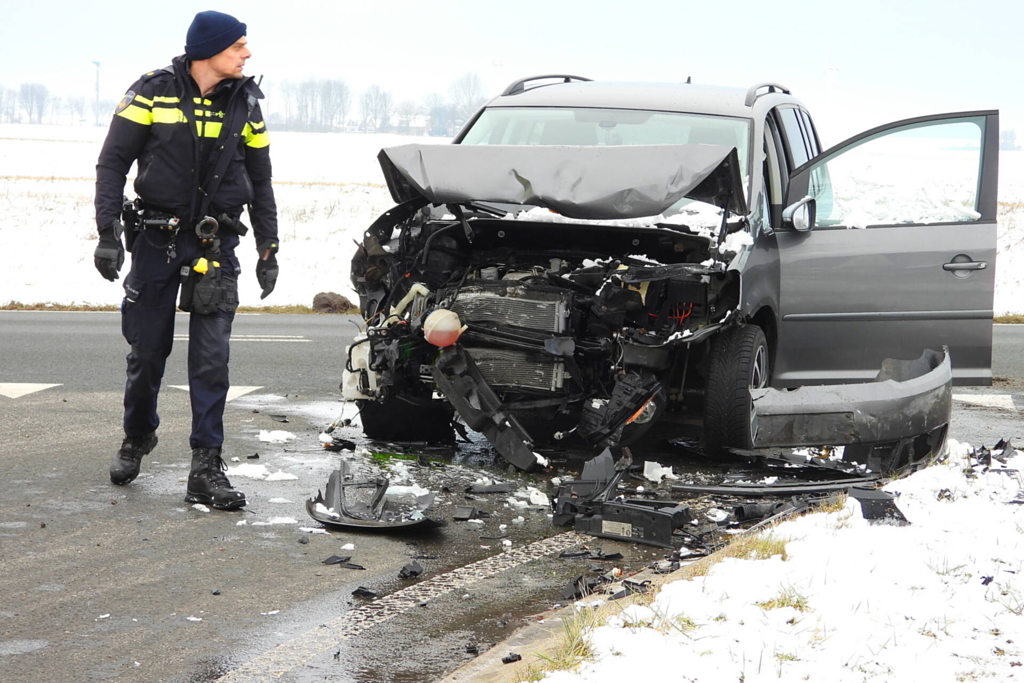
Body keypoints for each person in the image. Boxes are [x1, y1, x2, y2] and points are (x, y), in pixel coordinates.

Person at [93, 10, 279, 510]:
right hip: (157, 241)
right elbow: (113, 162)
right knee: (148, 352)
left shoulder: (249, 105)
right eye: (239, 44)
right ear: (210, 50)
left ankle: (206, 466)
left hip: (217, 246)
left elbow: (260, 181)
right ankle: (137, 437)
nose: (248, 53)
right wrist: (107, 232)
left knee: (212, 360)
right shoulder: (152, 92)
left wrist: (269, 247)